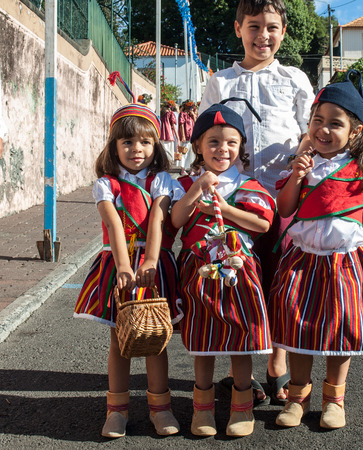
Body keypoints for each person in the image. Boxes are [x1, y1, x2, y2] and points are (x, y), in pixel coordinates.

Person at [198, 0, 315, 405]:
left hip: (283, 197)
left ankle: (278, 364)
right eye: (253, 26)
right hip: (235, 199)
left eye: (271, 27)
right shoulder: (221, 82)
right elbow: (205, 133)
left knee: (280, 281)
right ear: (237, 29)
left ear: (283, 32)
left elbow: (309, 130)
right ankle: (239, 373)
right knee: (237, 281)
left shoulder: (295, 78)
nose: (262, 35)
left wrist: (303, 155)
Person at [269, 71, 363, 430]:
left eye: (335, 124)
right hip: (302, 260)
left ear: (355, 130)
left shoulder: (361, 169)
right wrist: (296, 175)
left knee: (342, 331)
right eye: (317, 120)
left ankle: (334, 399)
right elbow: (284, 210)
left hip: (345, 262)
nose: (323, 129)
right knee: (298, 327)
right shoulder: (303, 166)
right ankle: (297, 397)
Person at [74, 89, 181, 438]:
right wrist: (123, 265)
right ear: (114, 146)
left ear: (156, 146)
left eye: (145, 142)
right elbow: (114, 224)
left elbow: (157, 221)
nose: (137, 149)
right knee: (120, 340)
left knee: (155, 339)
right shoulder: (107, 185)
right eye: (128, 142)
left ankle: (160, 408)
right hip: (117, 264)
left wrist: (149, 259)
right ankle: (116, 410)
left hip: (153, 263)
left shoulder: (163, 181)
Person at [171, 101, 276, 437]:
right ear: (198, 147)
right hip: (198, 271)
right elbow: (175, 221)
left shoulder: (248, 184)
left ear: (241, 146)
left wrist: (225, 209)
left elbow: (261, 224)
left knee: (240, 337)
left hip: (238, 271)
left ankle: (241, 405)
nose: (223, 149)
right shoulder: (186, 184)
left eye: (231, 141)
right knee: (202, 339)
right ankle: (202, 406)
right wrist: (199, 189)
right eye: (213, 141)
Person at [178, 100, 197, 171]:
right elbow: (181, 125)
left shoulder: (191, 115)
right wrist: (183, 135)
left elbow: (196, 123)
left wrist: (193, 115)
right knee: (184, 152)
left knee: (192, 153)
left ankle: (191, 169)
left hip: (192, 136)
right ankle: (183, 169)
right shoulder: (182, 114)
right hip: (186, 136)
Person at [160, 100, 180, 165]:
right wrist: (178, 138)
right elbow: (174, 126)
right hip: (169, 134)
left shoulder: (161, 114)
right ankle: (168, 164)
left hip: (162, 134)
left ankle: (163, 163)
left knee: (163, 150)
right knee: (169, 150)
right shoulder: (171, 114)